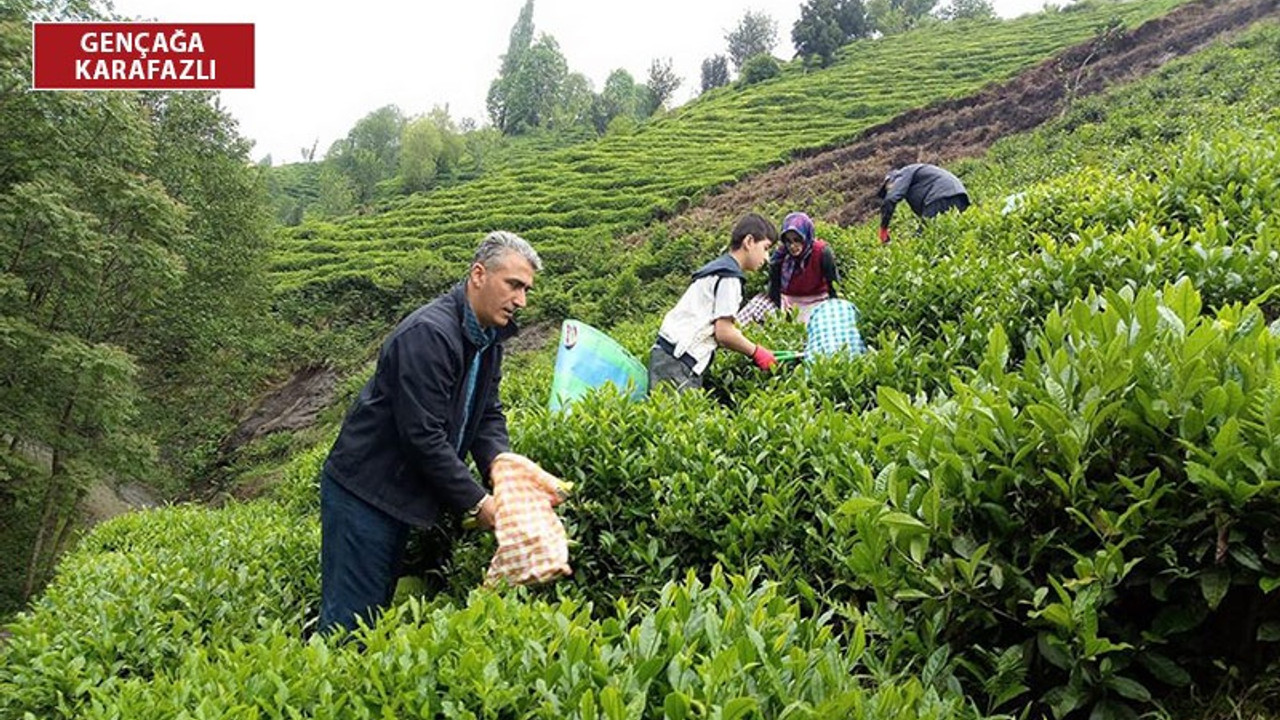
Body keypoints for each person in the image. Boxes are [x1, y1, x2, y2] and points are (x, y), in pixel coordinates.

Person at [317, 230, 541, 635]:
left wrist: (504, 472)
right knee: (350, 622)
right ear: (478, 275)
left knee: (370, 612)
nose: (521, 300)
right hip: (365, 492)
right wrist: (479, 504)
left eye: (526, 289)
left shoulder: (488, 337)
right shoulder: (429, 335)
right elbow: (422, 437)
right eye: (513, 285)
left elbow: (487, 414)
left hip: (398, 494)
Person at [649, 212, 779, 392]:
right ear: (749, 242)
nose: (766, 258)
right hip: (678, 363)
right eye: (765, 248)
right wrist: (757, 352)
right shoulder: (729, 277)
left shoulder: (717, 269)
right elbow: (724, 333)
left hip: (666, 354)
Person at [767, 211, 839, 323]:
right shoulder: (780, 256)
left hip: (817, 299)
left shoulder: (822, 252)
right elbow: (774, 288)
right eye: (788, 241)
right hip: (790, 300)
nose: (792, 246)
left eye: (797, 240)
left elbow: (833, 285)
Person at [877, 163, 970, 244]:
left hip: (940, 195)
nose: (889, 191)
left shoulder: (902, 174)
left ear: (892, 180)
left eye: (887, 188)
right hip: (960, 197)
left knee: (921, 239)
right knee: (949, 236)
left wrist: (883, 229)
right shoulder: (916, 180)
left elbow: (890, 199)